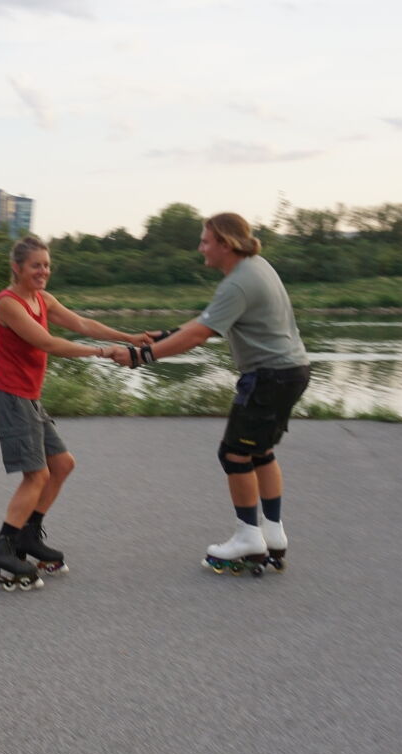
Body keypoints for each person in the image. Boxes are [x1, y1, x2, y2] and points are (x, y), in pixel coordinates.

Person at [103, 212, 310, 575]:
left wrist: (141, 356)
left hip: (268, 377)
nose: (200, 248)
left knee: (234, 454)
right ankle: (272, 533)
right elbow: (206, 322)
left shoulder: (238, 283)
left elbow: (199, 335)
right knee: (260, 451)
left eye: (205, 241)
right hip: (292, 372)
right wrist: (167, 335)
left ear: (225, 244)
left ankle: (248, 537)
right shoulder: (256, 268)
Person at [0, 234, 153, 591]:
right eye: (35, 266)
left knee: (62, 465)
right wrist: (103, 352)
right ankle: (2, 548)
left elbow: (83, 324)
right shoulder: (8, 303)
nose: (43, 271)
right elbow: (47, 342)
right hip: (8, 396)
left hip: (27, 397)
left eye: (46, 265)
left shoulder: (42, 299)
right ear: (17, 268)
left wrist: (128, 337)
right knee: (36, 475)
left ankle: (28, 535)